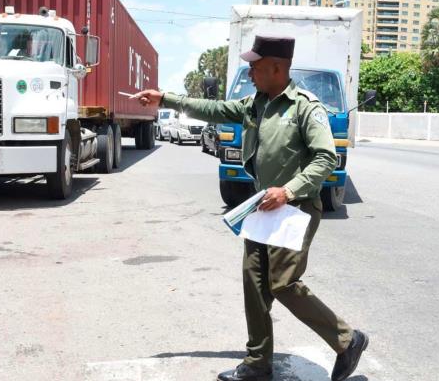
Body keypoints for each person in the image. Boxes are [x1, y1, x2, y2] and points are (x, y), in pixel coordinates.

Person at [133, 36, 368, 381]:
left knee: (283, 283)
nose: (251, 71)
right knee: (254, 284)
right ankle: (258, 364)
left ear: (277, 67)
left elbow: (326, 158)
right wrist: (165, 97)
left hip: (296, 208)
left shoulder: (306, 107)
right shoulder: (255, 104)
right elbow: (213, 110)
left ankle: (347, 340)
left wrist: (288, 192)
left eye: (256, 66)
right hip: (262, 208)